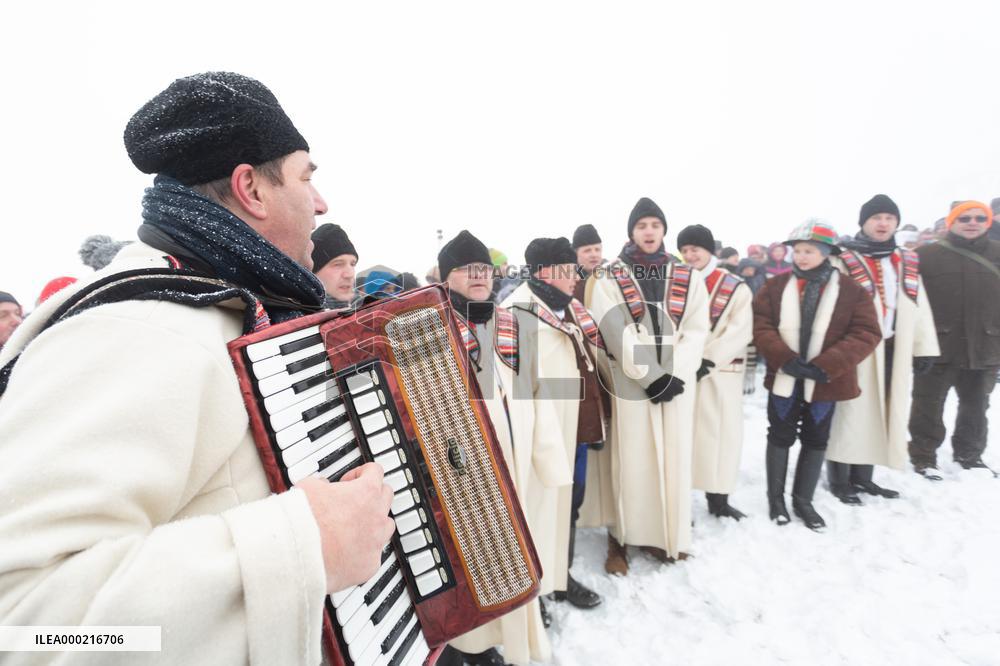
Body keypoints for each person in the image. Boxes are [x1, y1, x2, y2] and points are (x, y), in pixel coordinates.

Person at [0, 72, 396, 666]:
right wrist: (302, 546)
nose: (321, 202)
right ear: (251, 190)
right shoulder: (135, 330)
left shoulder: (226, 313)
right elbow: (23, 626)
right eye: (307, 177)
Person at [438, 231, 551, 666]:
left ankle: (491, 643)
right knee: (465, 566)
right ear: (448, 277)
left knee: (507, 559)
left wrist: (545, 454)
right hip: (463, 472)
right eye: (467, 269)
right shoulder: (431, 323)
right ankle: (458, 648)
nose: (479, 276)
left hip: (515, 462)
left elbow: (534, 393)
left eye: (484, 268)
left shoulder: (512, 323)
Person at [579, 197, 709, 573]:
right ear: (631, 232)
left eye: (654, 225)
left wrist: (673, 375)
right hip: (632, 383)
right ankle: (619, 541)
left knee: (672, 461)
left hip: (677, 385)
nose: (648, 231)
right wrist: (651, 376)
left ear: (664, 230)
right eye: (641, 226)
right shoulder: (610, 276)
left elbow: (698, 330)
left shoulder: (688, 275)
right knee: (630, 461)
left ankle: (663, 536)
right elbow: (612, 327)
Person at [753, 220, 880, 530]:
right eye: (797, 250)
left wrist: (829, 364)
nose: (801, 257)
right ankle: (776, 499)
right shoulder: (776, 286)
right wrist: (784, 358)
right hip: (787, 376)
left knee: (816, 438)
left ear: (826, 252)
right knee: (780, 434)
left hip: (827, 380)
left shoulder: (853, 291)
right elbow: (760, 324)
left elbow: (866, 332)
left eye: (809, 250)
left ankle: (803, 500)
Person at [503, 237, 605, 614]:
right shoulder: (516, 313)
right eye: (569, 269)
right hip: (540, 436)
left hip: (573, 427)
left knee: (570, 504)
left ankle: (561, 575)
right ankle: (535, 591)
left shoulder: (570, 308)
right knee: (537, 509)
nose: (577, 276)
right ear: (547, 271)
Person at [826, 195, 939, 502]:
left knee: (883, 410)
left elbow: (918, 303)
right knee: (850, 411)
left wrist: (923, 346)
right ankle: (839, 479)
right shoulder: (843, 257)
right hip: (854, 346)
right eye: (876, 218)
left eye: (890, 218)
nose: (883, 223)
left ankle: (864, 477)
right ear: (863, 222)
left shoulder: (905, 259)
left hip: (893, 345)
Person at [909, 201, 1000, 478]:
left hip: (986, 345)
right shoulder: (925, 255)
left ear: (987, 222)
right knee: (928, 404)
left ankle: (970, 455)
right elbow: (911, 300)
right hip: (938, 346)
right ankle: (924, 457)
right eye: (964, 218)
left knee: (976, 405)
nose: (972, 222)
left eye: (978, 218)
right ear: (951, 222)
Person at [678, 225, 753, 520]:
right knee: (684, 436)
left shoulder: (734, 285)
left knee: (720, 435)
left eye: (695, 248)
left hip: (719, 370)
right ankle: (680, 502)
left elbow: (740, 328)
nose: (689, 255)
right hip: (685, 370)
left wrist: (707, 360)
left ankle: (718, 498)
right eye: (684, 250)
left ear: (710, 251)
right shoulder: (678, 283)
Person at [311, 222, 359, 309]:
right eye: (338, 264)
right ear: (313, 272)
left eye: (352, 264)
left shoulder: (368, 314)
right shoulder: (293, 319)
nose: (349, 275)